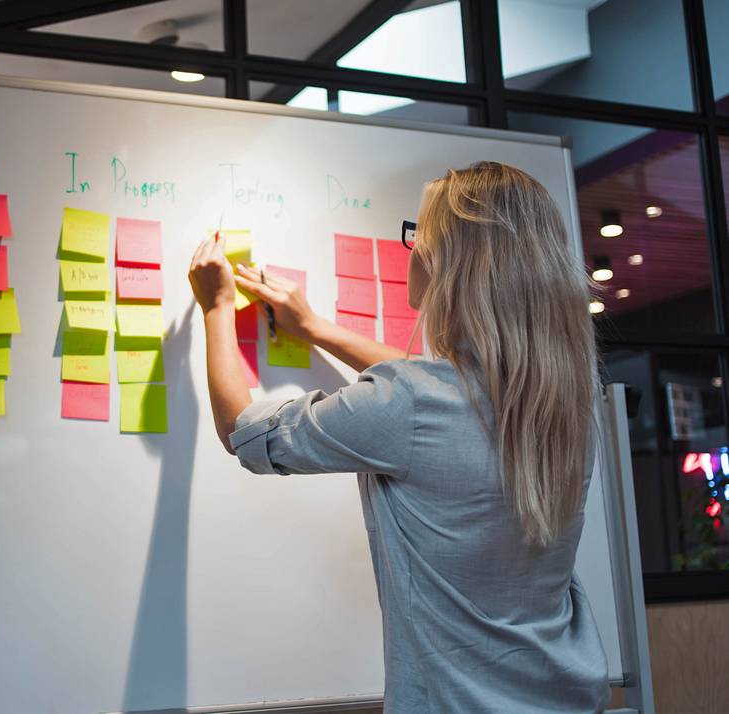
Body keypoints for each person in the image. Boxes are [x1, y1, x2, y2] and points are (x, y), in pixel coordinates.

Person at [187, 161, 609, 712]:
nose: (412, 248)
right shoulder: (566, 406)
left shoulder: (409, 402)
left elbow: (243, 433)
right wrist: (315, 329)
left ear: (448, 262)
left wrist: (217, 307)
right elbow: (442, 396)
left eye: (418, 234)